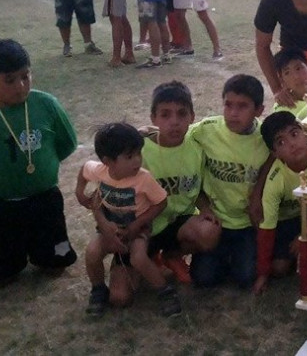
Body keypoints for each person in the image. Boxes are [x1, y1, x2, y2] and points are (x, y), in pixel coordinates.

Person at [0, 39, 78, 282]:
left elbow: (67, 142)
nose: (20, 86)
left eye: (25, 76)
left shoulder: (45, 104)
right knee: (1, 275)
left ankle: (49, 254)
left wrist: (43, 162)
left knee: (55, 264)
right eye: (9, 80)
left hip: (44, 200)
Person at [75, 122, 181, 317]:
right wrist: (79, 192)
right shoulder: (99, 171)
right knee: (92, 252)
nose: (137, 161)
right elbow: (84, 169)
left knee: (138, 257)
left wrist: (135, 226)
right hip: (109, 229)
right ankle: (98, 290)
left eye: (139, 153)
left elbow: (161, 202)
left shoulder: (143, 178)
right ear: (108, 161)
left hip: (138, 229)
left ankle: (165, 291)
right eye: (129, 156)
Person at [189, 75, 270, 289]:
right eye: (228, 105)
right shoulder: (206, 130)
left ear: (259, 110)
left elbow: (274, 157)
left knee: (245, 278)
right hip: (215, 221)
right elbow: (177, 137)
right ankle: (219, 256)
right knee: (203, 279)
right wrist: (150, 132)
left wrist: (257, 195)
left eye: (242, 106)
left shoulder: (265, 137)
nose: (233, 113)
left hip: (246, 224)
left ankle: (236, 255)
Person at [143, 81, 221, 284]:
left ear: (192, 117)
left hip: (181, 222)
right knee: (122, 294)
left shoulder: (197, 147)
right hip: (145, 226)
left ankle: (172, 255)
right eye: (165, 115)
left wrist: (205, 210)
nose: (174, 122)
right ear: (154, 118)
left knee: (209, 231)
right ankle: (149, 256)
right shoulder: (139, 150)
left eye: (182, 114)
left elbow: (200, 188)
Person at [253, 111, 307, 295]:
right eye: (281, 142)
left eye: (294, 134)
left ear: (305, 134)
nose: (291, 144)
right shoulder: (276, 179)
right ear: (275, 154)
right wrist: (263, 274)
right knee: (279, 269)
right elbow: (267, 228)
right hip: (287, 222)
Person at [271, 47, 307, 114]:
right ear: (282, 80)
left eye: (298, 68)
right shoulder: (283, 109)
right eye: (287, 73)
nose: (296, 76)